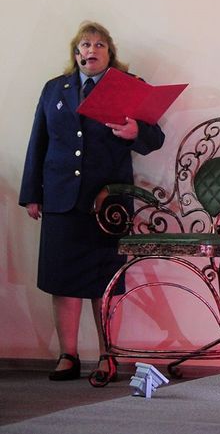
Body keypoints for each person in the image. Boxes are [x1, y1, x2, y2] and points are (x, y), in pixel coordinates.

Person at [19, 21, 165, 383]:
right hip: (60, 197)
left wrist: (135, 133)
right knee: (62, 279)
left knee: (105, 280)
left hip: (108, 201)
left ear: (109, 53)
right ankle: (67, 355)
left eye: (100, 44)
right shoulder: (55, 88)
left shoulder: (129, 88)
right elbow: (39, 141)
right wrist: (32, 194)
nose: (92, 50)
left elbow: (155, 137)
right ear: (76, 52)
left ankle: (107, 355)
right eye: (85, 44)